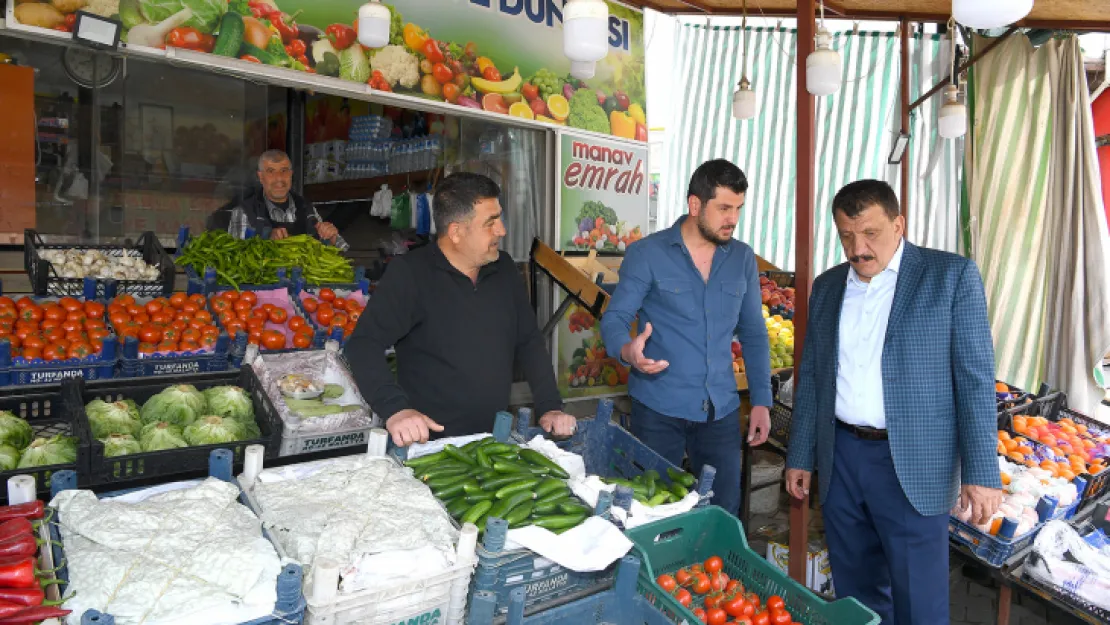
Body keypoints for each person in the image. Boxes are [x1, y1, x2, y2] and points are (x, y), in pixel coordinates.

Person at [784, 180, 1002, 624]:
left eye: (870, 233)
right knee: (856, 592)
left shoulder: (950, 276)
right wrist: (801, 454)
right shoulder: (827, 287)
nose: (858, 248)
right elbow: (814, 377)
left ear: (898, 224)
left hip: (913, 462)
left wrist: (982, 471)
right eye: (846, 235)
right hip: (842, 456)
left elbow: (976, 380)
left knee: (919, 603)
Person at [346, 172, 575, 446]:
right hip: (429, 447)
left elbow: (528, 340)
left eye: (499, 218)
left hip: (493, 441)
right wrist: (396, 409)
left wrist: (550, 405)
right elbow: (363, 344)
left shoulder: (502, 269)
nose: (501, 230)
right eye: (490, 223)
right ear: (455, 231)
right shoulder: (411, 274)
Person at [600, 159, 773, 516]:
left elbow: (754, 332)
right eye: (724, 208)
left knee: (722, 511)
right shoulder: (647, 254)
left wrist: (761, 401)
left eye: (738, 209)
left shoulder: (741, 258)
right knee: (655, 510)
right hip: (659, 408)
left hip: (722, 409)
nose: (733, 219)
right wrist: (627, 351)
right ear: (695, 205)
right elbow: (616, 317)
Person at [208, 150, 349, 250]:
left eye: (284, 170)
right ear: (260, 177)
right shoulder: (244, 212)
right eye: (271, 171)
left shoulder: (306, 208)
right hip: (263, 289)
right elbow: (237, 258)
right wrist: (266, 240)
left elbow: (342, 248)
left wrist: (331, 237)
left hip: (303, 288)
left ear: (291, 174)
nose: (279, 178)